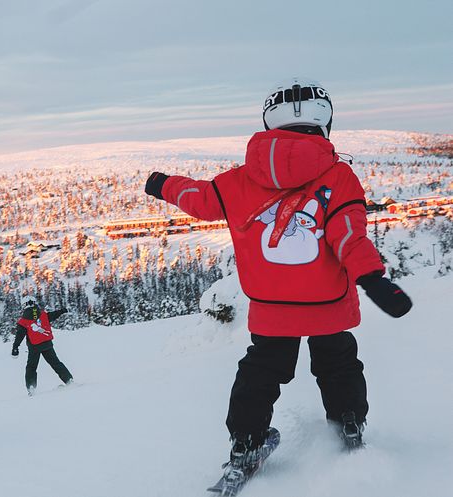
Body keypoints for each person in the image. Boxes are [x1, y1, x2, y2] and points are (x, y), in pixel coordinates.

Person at [144, 78, 412, 466]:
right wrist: (372, 278)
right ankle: (349, 421)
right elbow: (349, 236)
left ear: (271, 124)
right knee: (339, 362)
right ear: (324, 124)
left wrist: (162, 184)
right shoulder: (339, 178)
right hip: (328, 303)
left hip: (271, 306)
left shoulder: (239, 179)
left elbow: (200, 200)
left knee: (262, 369)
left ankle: (246, 442)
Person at [11, 296, 73, 395]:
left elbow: (19, 336)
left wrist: (15, 347)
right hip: (47, 343)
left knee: (31, 367)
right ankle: (69, 380)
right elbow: (53, 315)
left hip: (34, 346)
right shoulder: (43, 314)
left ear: (24, 305)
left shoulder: (23, 321)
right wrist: (62, 311)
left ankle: (31, 388)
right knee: (56, 363)